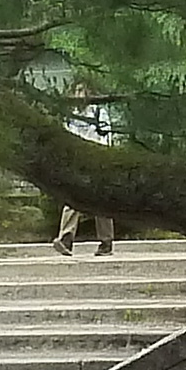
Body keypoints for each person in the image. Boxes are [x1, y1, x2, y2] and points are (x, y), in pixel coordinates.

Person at [54, 95, 120, 254]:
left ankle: (106, 242)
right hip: (77, 162)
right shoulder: (71, 115)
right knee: (72, 199)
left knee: (100, 203)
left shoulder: (98, 113)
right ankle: (66, 239)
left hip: (97, 161)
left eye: (83, 91)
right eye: (77, 91)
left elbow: (106, 137)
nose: (79, 96)